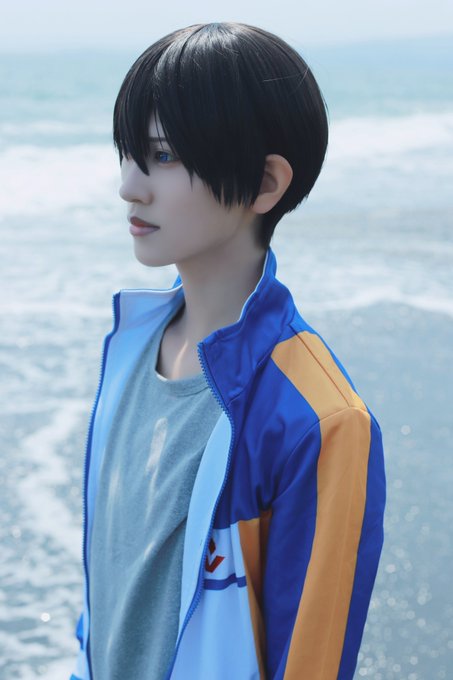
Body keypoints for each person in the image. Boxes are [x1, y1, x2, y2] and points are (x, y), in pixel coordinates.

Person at [71, 22, 386, 680]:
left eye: (163, 156)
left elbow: (311, 662)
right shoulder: (129, 351)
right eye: (128, 153)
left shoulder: (317, 417)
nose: (130, 185)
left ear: (265, 183)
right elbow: (115, 590)